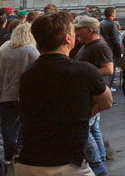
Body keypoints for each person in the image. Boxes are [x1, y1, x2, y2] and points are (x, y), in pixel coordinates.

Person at [17, 12, 112, 175]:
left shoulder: (28, 74)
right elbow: (107, 102)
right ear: (68, 39)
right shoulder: (84, 71)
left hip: (30, 160)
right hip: (68, 162)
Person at [0, 22, 38, 163]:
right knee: (25, 123)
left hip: (1, 92)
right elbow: (40, 67)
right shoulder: (30, 49)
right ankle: (19, 151)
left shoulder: (5, 46)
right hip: (21, 93)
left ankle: (7, 153)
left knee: (6, 125)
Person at [73, 16, 114, 176]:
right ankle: (100, 160)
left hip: (93, 94)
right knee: (94, 128)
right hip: (91, 93)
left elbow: (108, 69)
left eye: (79, 29)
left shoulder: (100, 46)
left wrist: (85, 73)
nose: (76, 33)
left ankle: (97, 165)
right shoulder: (88, 45)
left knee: (84, 129)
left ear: (89, 30)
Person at [99, 8, 122, 91]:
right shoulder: (113, 24)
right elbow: (116, 41)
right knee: (110, 73)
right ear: (112, 14)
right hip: (111, 51)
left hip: (102, 49)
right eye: (115, 12)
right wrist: (119, 53)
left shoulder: (101, 23)